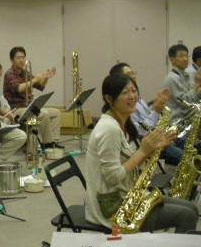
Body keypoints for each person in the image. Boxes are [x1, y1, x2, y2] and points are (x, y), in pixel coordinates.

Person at [84, 73, 198, 232]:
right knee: (187, 215)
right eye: (125, 92)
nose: (132, 96)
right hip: (112, 209)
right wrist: (143, 151)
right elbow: (113, 177)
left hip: (127, 195)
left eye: (133, 91)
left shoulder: (122, 122)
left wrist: (152, 149)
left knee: (192, 208)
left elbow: (129, 163)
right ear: (109, 99)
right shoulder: (109, 129)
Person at [109, 62, 200, 165]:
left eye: (133, 73)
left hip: (157, 135)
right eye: (128, 74)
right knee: (189, 160)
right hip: (149, 143)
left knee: (195, 145)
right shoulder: (124, 104)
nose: (133, 76)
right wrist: (156, 111)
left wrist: (157, 106)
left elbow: (148, 119)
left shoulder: (137, 97)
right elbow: (140, 131)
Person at [3, 46, 63, 155]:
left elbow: (40, 86)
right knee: (43, 114)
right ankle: (48, 144)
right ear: (12, 60)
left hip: (28, 108)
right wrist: (35, 79)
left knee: (56, 113)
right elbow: (19, 88)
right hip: (16, 110)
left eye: (23, 57)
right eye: (18, 58)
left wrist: (46, 77)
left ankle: (54, 141)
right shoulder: (9, 74)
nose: (22, 60)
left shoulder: (25, 73)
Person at [163, 44, 201, 123]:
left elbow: (194, 97)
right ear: (172, 60)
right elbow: (186, 102)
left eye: (186, 56)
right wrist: (197, 85)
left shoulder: (186, 75)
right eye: (181, 56)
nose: (185, 59)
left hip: (188, 120)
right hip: (177, 123)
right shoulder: (172, 78)